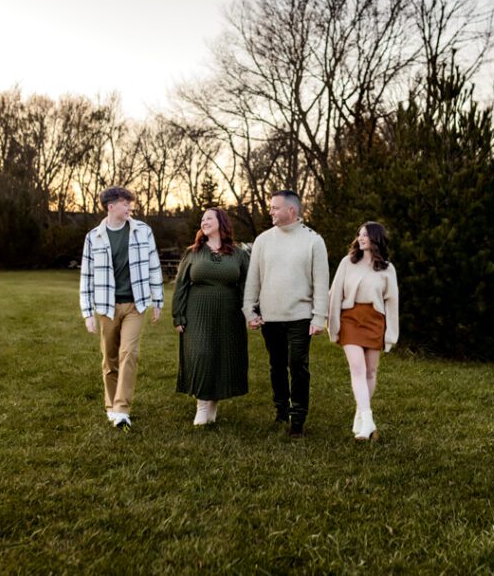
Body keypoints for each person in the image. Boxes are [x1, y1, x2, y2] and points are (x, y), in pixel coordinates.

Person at [243, 190, 329, 438]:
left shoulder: (314, 241)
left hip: (301, 316)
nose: (270, 211)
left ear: (291, 210)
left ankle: (298, 419)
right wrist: (250, 310)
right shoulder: (262, 240)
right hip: (271, 317)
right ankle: (281, 409)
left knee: (298, 365)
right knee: (276, 365)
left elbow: (321, 283)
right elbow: (253, 280)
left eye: (275, 207)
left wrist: (319, 317)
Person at [79, 186, 163, 431]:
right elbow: (86, 277)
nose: (129, 208)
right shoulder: (93, 237)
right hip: (106, 307)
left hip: (136, 304)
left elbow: (154, 266)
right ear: (111, 206)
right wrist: (87, 313)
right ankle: (111, 406)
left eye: (130, 203)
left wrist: (157, 301)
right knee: (110, 359)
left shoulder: (142, 231)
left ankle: (122, 408)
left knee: (129, 353)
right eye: (125, 203)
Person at [172, 208, 250, 425]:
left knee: (222, 357)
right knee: (202, 353)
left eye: (209, 218)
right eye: (202, 219)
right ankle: (202, 405)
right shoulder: (193, 252)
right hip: (197, 312)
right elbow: (181, 286)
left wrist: (251, 313)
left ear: (221, 222)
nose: (204, 222)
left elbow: (247, 287)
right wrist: (178, 315)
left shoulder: (239, 254)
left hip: (229, 314)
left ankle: (212, 406)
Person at [327, 222, 399, 441]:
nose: (360, 238)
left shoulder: (387, 268)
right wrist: (333, 325)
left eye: (365, 235)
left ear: (376, 238)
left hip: (375, 320)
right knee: (357, 368)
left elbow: (392, 302)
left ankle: (360, 414)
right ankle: (368, 420)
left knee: (370, 371)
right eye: (359, 234)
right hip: (350, 318)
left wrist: (390, 334)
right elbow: (335, 294)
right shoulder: (347, 263)